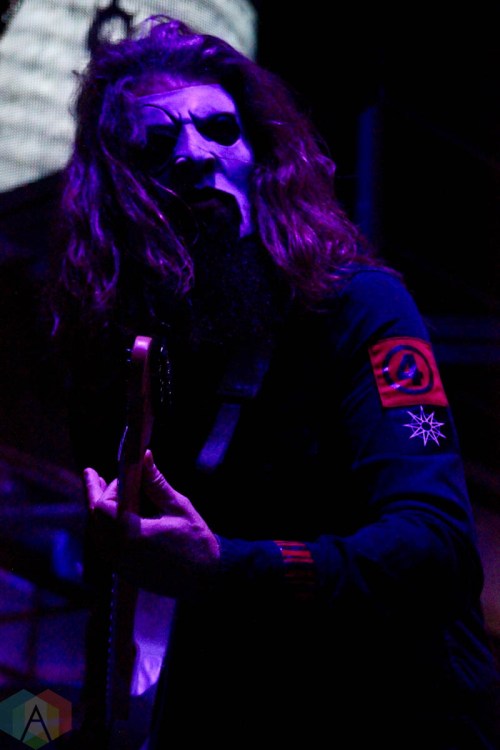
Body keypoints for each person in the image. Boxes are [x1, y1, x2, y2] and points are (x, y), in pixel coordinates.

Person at [51, 15, 499, 749]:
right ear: (119, 195)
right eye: (157, 145)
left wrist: (226, 567)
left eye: (220, 130)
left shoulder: (357, 308)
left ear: (261, 157)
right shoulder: (125, 361)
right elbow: (122, 612)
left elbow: (437, 547)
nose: (195, 154)